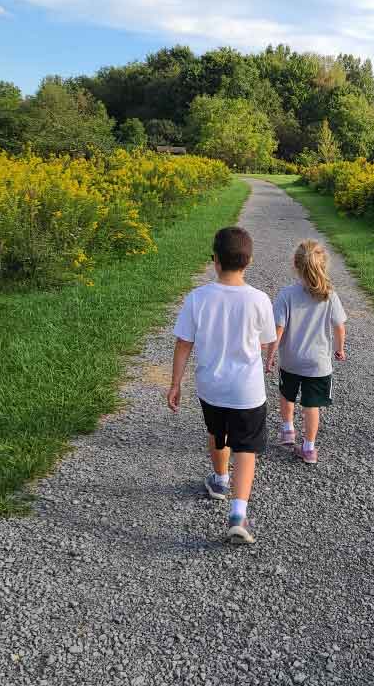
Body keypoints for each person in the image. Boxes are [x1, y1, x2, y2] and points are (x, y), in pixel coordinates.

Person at [167, 227, 277, 545]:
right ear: (249, 261)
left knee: (218, 433)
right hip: (247, 391)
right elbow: (268, 341)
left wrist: (175, 383)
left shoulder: (198, 298)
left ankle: (219, 480)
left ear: (215, 260)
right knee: (246, 449)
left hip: (210, 388)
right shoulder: (259, 299)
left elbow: (183, 344)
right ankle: (237, 514)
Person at [268, 239, 347, 464]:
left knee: (286, 394)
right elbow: (339, 326)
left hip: (291, 360)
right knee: (312, 406)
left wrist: (270, 356)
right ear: (324, 265)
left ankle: (287, 430)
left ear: (295, 264)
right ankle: (309, 448)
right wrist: (339, 349)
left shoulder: (287, 294)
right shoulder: (329, 295)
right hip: (318, 364)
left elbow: (278, 329)